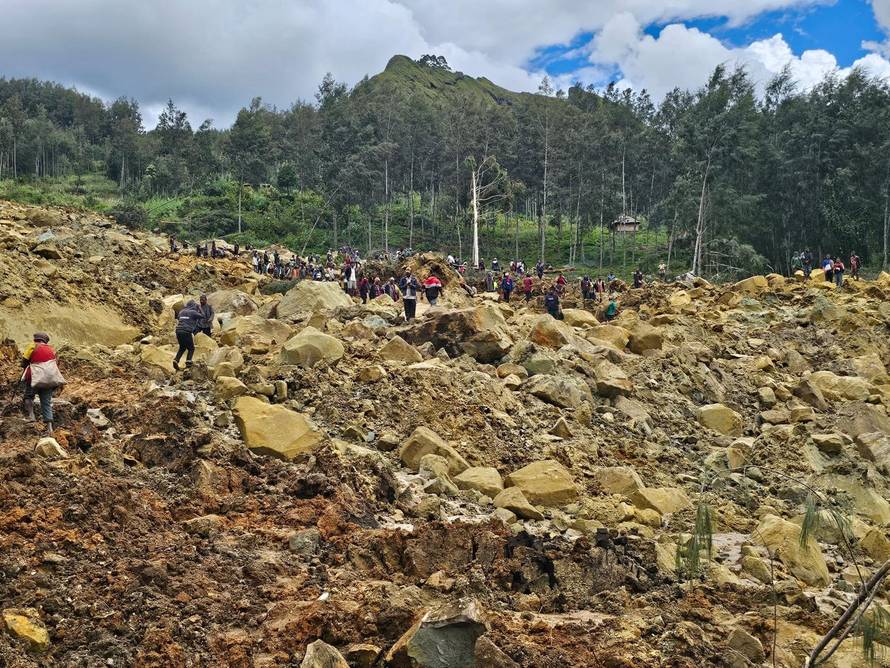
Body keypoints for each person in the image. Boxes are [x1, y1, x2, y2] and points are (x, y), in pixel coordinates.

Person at [21, 332, 63, 434]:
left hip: (34, 378)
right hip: (49, 380)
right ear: (45, 341)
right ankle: (50, 429)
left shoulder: (32, 346)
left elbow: (24, 361)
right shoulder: (51, 349)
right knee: (46, 403)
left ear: (36, 339)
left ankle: (31, 416)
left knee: (28, 397)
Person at [173, 300, 203, 370]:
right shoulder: (193, 312)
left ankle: (176, 360)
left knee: (182, 347)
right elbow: (203, 316)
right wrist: (200, 308)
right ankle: (188, 363)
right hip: (186, 331)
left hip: (178, 331)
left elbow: (179, 318)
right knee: (191, 348)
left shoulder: (181, 311)